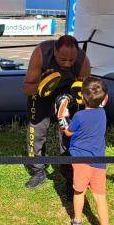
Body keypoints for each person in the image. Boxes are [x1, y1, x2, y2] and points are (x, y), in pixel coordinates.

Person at [21, 35, 91, 190]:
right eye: (62, 59)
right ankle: (38, 172)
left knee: (67, 134)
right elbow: (26, 88)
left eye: (71, 60)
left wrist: (71, 99)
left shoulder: (82, 60)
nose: (67, 63)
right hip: (40, 95)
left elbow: (85, 91)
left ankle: (69, 175)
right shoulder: (41, 53)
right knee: (36, 131)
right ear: (54, 51)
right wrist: (42, 84)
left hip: (67, 95)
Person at [61, 76, 114, 225]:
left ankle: (77, 221)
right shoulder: (103, 114)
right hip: (99, 162)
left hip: (81, 161)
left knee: (79, 191)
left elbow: (69, 132)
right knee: (100, 197)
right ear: (104, 98)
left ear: (82, 97)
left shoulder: (79, 116)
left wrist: (63, 119)